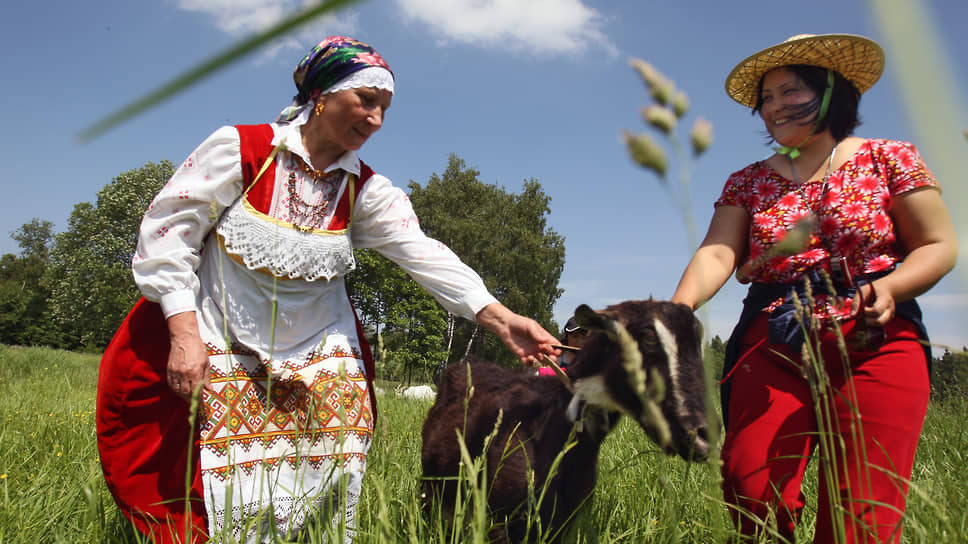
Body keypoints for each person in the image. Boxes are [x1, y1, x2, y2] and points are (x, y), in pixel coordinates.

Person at [95, 35, 560, 544]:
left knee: (333, 465)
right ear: (322, 95)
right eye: (365, 100)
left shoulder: (366, 189)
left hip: (320, 347)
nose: (376, 119)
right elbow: (169, 233)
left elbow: (423, 254)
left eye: (384, 108)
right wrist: (183, 331)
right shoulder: (244, 150)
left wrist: (499, 316)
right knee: (223, 472)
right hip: (224, 333)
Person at [671, 34, 957, 543]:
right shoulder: (749, 180)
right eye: (767, 98)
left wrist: (891, 287)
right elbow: (719, 252)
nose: (775, 106)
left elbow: (938, 245)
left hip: (877, 339)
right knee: (749, 487)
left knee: (862, 516)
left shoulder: (890, 158)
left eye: (791, 91)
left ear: (832, 93)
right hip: (775, 336)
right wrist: (678, 309)